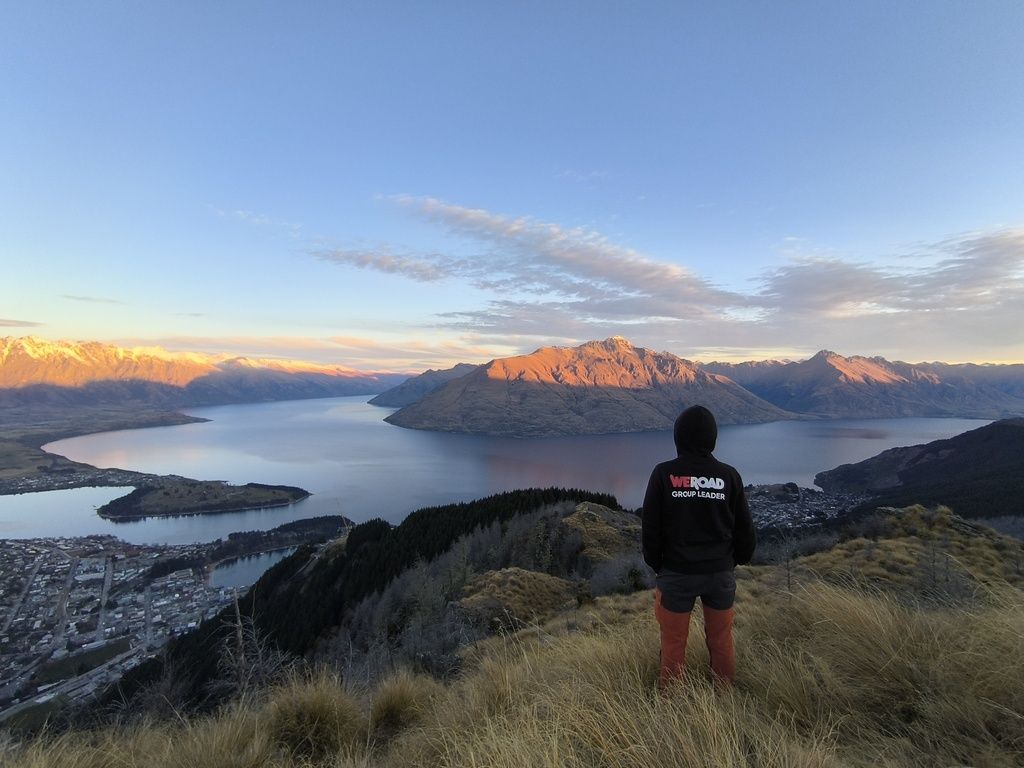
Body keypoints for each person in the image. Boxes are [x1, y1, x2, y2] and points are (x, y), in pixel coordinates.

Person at [641, 404, 756, 688]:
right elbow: (746, 533)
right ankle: (724, 696)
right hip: (719, 574)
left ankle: (672, 707)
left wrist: (660, 566)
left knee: (673, 644)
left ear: (678, 437)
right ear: (713, 439)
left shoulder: (663, 474)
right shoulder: (729, 476)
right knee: (721, 641)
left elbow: (650, 531)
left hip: (676, 575)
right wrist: (731, 562)